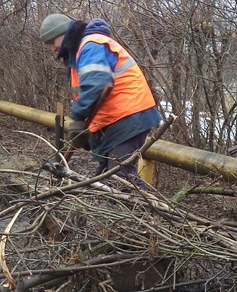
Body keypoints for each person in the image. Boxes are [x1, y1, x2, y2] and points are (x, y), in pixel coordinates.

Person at [39, 13, 161, 186]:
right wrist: (90, 132)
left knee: (119, 180)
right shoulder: (80, 51)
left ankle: (151, 211)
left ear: (64, 34)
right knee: (106, 179)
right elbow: (94, 95)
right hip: (120, 118)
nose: (52, 49)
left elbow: (98, 84)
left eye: (52, 42)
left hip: (129, 117)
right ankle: (131, 208)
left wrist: (78, 119)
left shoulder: (90, 46)